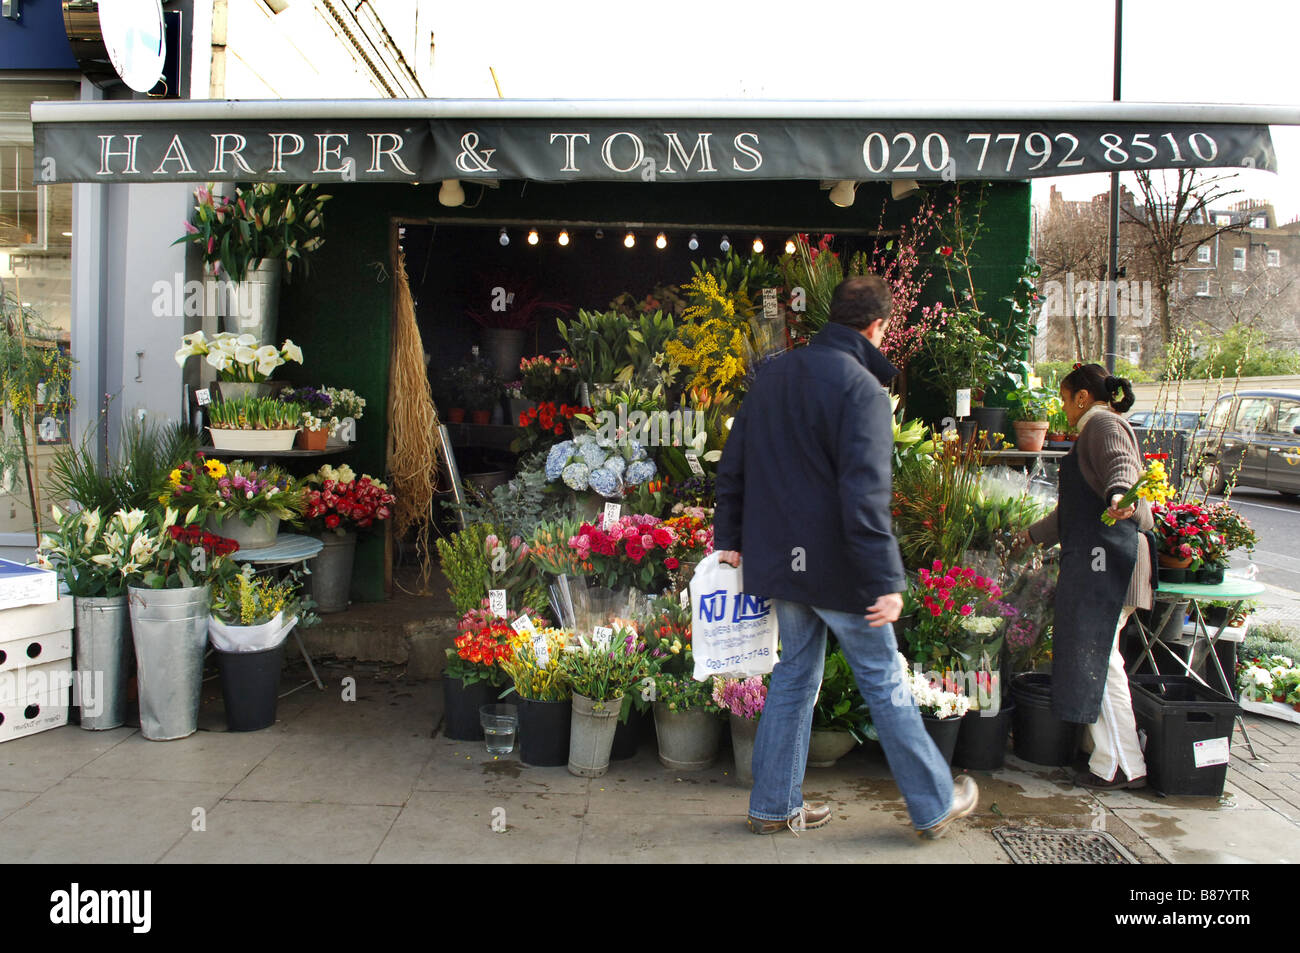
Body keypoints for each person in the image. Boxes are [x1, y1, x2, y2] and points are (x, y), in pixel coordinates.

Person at [713, 275, 977, 839]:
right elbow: (864, 497)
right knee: (883, 680)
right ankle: (933, 803)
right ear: (879, 327)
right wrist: (885, 578)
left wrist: (728, 539)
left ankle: (772, 806)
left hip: (783, 566)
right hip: (838, 570)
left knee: (794, 678)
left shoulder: (773, 375)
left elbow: (732, 465)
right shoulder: (862, 390)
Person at [1014, 362, 1155, 790]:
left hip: (1110, 561)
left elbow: (1121, 468)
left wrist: (1120, 497)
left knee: (1102, 660)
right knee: (1102, 657)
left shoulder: (1102, 426)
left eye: (1063, 399)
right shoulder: (1093, 431)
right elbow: (1069, 514)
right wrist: (1028, 537)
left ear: (1081, 397)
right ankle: (1112, 759)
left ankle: (1124, 765)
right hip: (1104, 559)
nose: (1062, 409)